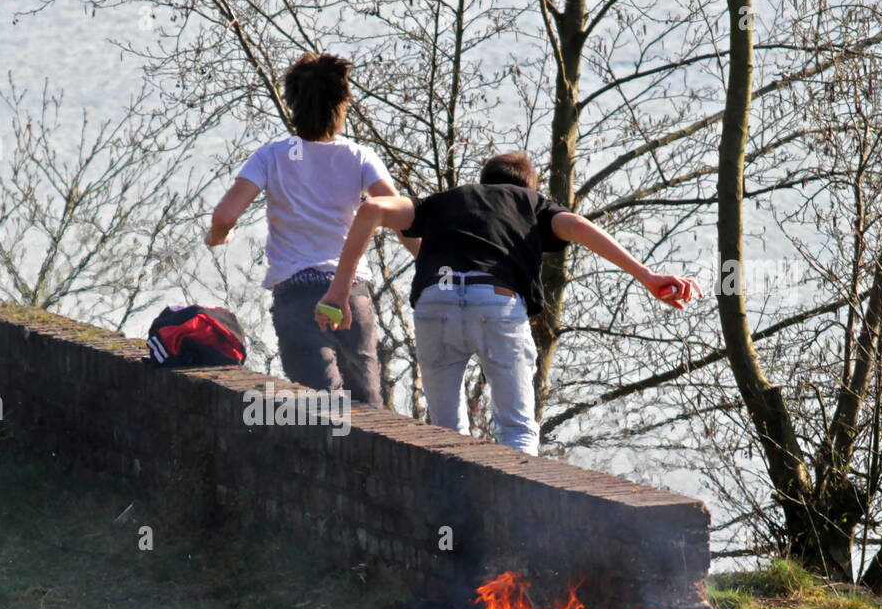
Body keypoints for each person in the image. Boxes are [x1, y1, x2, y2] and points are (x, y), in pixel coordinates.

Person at [316, 151, 702, 454]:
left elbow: (370, 209)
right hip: (495, 303)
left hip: (436, 302)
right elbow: (579, 228)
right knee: (516, 429)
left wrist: (338, 293)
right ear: (529, 187)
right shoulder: (533, 204)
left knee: (445, 431)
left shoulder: (445, 200)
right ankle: (520, 530)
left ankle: (454, 522)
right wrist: (647, 276)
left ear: (483, 183)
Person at [205, 52, 415, 408]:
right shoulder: (360, 156)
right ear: (342, 104)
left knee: (322, 412)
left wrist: (219, 236)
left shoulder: (272, 155)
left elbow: (225, 215)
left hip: (298, 298)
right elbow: (400, 216)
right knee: (370, 412)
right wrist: (431, 259)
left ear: (293, 103)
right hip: (350, 293)